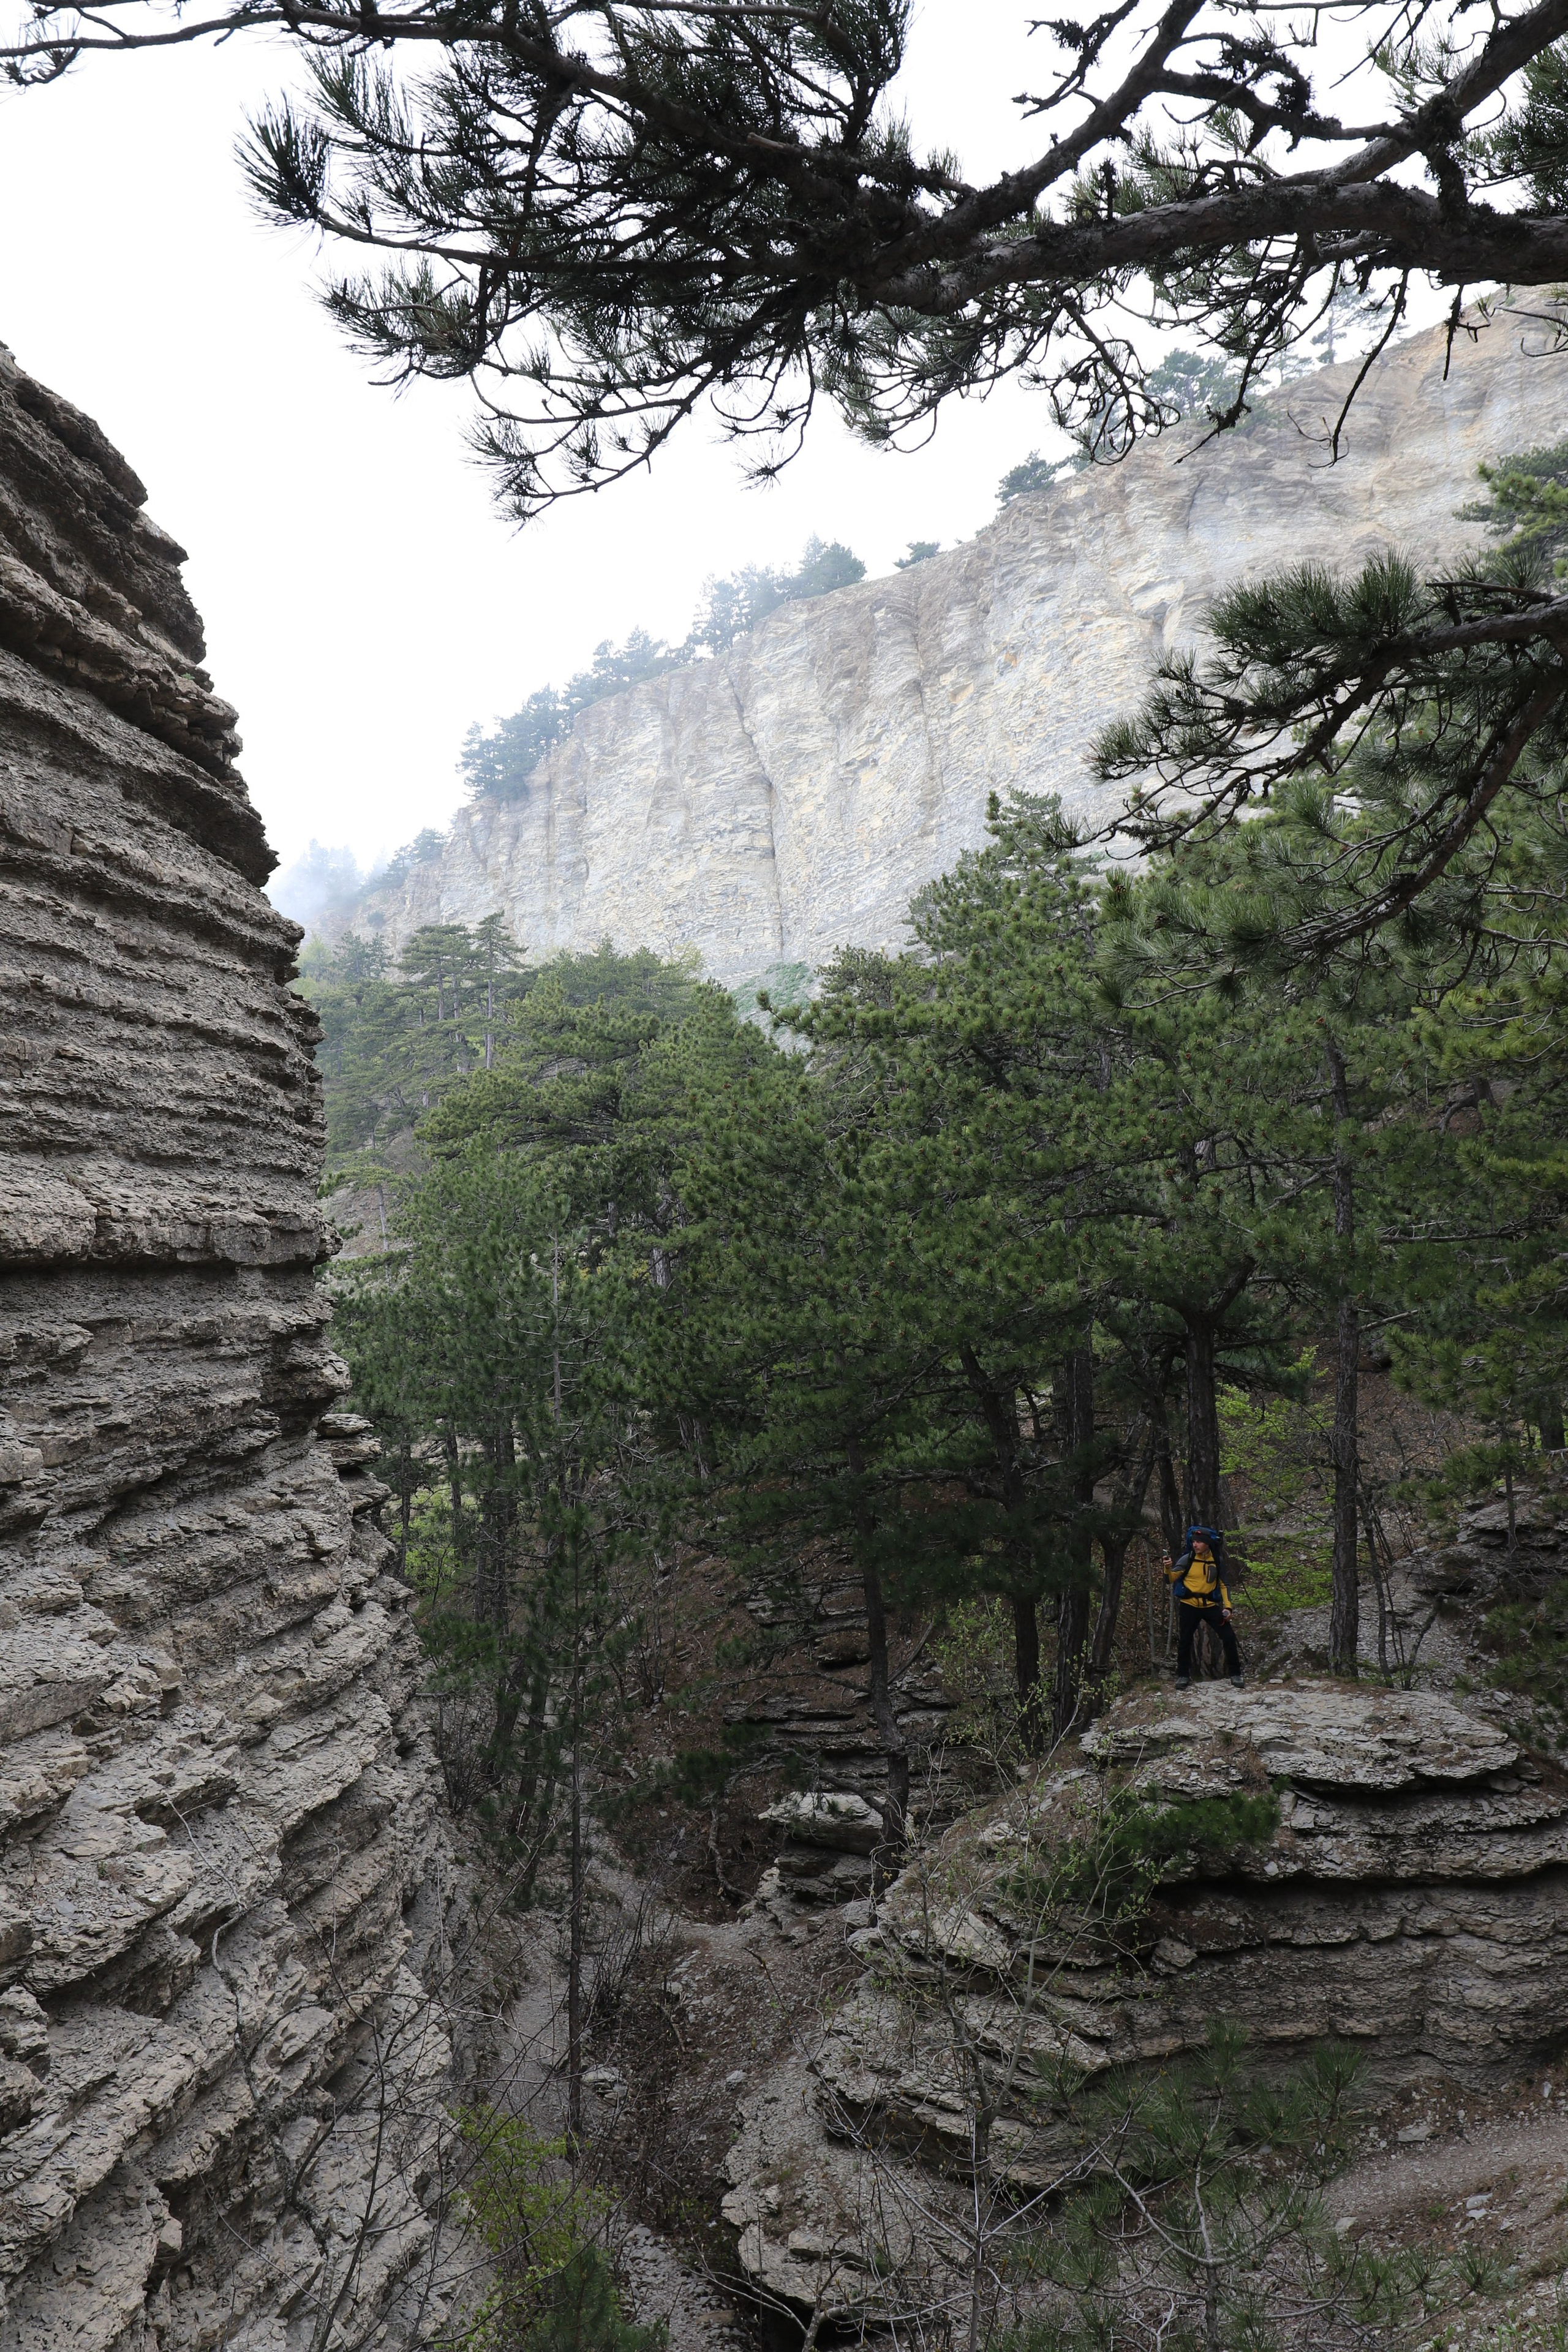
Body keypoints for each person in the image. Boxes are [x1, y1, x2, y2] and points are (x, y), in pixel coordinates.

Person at [1163, 1526, 1243, 1689]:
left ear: (1207, 1544)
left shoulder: (1217, 1560)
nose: (1195, 1545)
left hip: (1210, 1606)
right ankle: (1183, 1676)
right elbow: (1170, 1579)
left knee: (1228, 1636)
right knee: (1184, 1641)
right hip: (1189, 1606)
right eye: (1193, 1542)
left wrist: (1228, 1608)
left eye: (1199, 1542)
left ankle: (1236, 1674)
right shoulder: (1188, 1559)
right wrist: (1167, 1567)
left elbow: (1224, 1584)